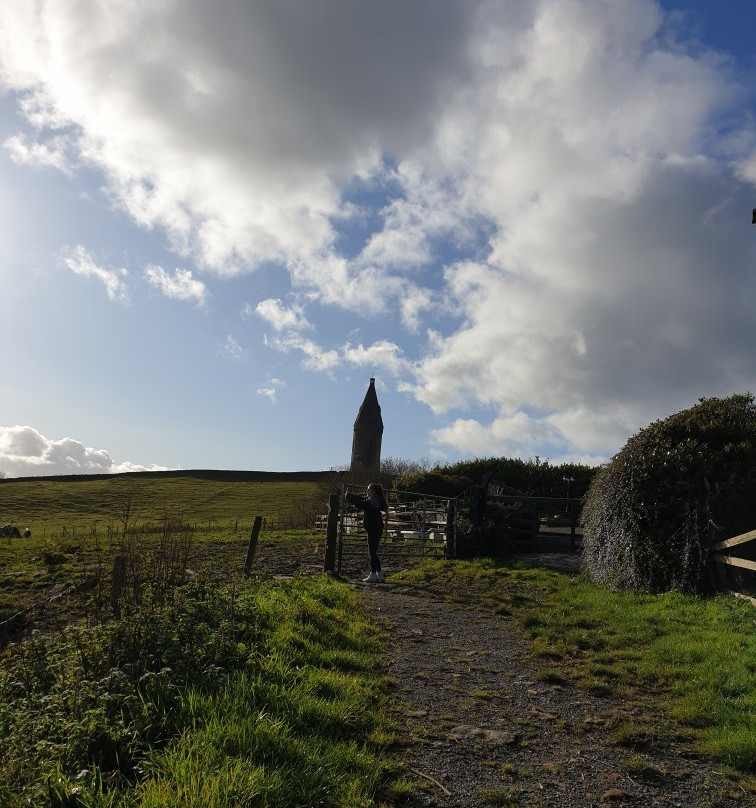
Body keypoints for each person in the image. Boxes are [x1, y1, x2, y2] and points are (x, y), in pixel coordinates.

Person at [346, 483, 388, 583]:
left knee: (372, 552)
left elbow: (361, 503)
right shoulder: (375, 500)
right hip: (375, 527)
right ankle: (379, 574)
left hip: (373, 528)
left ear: (373, 491)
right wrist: (351, 495)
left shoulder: (373, 501)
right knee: (373, 552)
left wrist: (350, 497)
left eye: (368, 489)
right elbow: (362, 499)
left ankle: (373, 574)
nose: (366, 491)